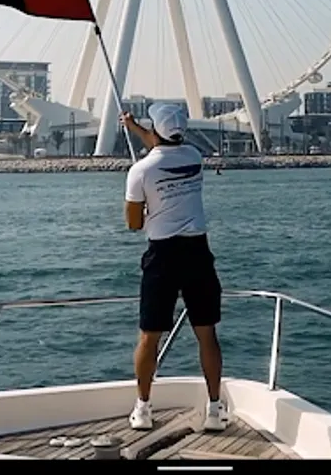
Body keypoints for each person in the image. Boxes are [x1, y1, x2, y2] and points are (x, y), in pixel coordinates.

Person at [121, 102, 228, 433]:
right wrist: (135, 128)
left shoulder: (140, 171)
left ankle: (143, 408)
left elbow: (133, 224)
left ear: (156, 130)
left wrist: (146, 210)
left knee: (149, 336)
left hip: (162, 256)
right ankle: (214, 409)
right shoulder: (194, 157)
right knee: (206, 334)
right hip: (198, 252)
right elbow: (162, 145)